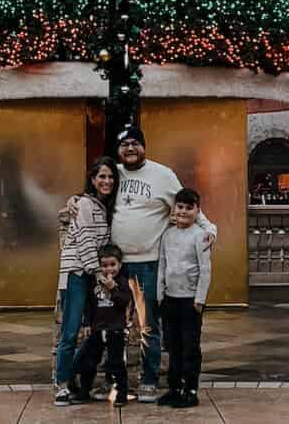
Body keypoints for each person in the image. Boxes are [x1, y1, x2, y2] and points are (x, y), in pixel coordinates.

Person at [110, 126, 216, 404]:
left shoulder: (163, 174)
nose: (130, 148)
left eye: (135, 143)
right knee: (113, 326)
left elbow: (188, 204)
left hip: (148, 263)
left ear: (144, 146)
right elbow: (92, 198)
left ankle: (148, 380)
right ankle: (116, 383)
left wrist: (209, 229)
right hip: (116, 266)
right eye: (124, 145)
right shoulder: (114, 174)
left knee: (148, 327)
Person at [54, 156, 118, 408]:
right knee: (70, 332)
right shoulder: (83, 204)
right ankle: (61, 385)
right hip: (78, 274)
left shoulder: (104, 206)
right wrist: (98, 273)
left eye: (111, 177)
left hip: (95, 277)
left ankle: (74, 376)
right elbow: (84, 240)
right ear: (92, 179)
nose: (107, 181)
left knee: (95, 332)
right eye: (102, 176)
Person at [157, 188, 212, 409]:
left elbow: (205, 269)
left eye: (189, 208)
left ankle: (190, 389)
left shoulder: (200, 235)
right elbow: (162, 263)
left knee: (190, 346)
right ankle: (174, 388)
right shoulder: (167, 235)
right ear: (174, 209)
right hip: (170, 298)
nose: (184, 211)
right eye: (180, 207)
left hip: (191, 301)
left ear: (197, 211)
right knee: (173, 346)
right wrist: (160, 293)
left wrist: (200, 299)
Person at [69, 243, 131, 406]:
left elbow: (123, 303)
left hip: (115, 330)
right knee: (89, 361)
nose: (109, 269)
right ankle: (84, 391)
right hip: (97, 329)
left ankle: (121, 394)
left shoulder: (123, 282)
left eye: (113, 265)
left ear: (120, 265)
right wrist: (87, 323)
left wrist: (113, 289)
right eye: (104, 265)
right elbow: (89, 305)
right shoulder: (95, 283)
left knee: (116, 363)